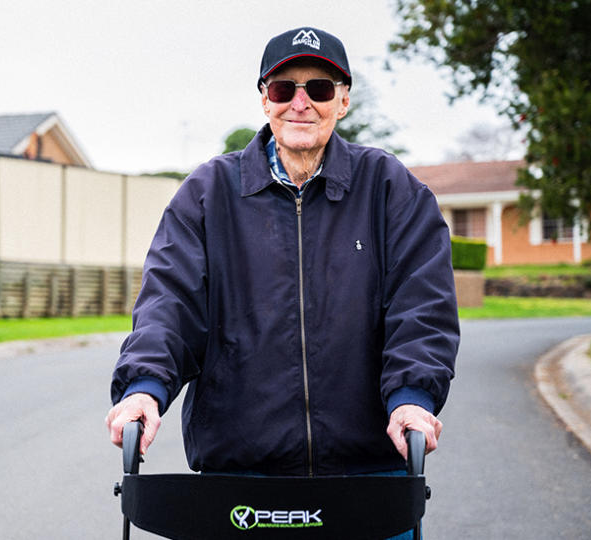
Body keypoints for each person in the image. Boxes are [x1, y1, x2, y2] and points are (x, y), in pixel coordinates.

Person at [106, 27, 458, 483]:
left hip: (370, 470)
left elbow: (422, 305)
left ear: (343, 101)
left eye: (319, 88)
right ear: (264, 99)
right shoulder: (208, 193)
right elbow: (169, 305)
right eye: (283, 88)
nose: (301, 102)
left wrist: (413, 396)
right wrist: (143, 389)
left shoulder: (390, 188)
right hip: (240, 471)